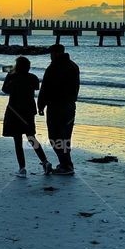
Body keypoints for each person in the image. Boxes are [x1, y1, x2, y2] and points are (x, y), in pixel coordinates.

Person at [1, 56, 52, 178]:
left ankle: (22, 168)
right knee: (31, 137)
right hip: (28, 110)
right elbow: (35, 87)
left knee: (17, 140)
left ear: (17, 67)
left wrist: (10, 74)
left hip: (14, 111)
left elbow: (5, 89)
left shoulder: (13, 77)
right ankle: (45, 161)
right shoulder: (33, 78)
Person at [37, 43, 80, 175]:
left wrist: (40, 105)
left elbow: (45, 88)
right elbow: (76, 87)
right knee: (65, 137)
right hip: (69, 105)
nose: (50, 56)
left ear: (56, 53)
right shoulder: (73, 66)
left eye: (52, 53)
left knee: (54, 137)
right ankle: (66, 164)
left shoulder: (53, 67)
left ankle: (66, 165)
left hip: (56, 106)